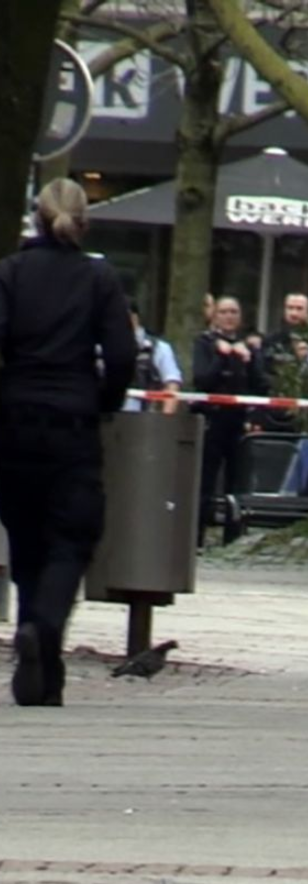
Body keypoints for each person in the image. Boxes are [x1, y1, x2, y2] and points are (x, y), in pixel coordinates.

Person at [0, 178, 137, 706]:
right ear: (83, 222)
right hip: (73, 427)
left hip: (14, 427)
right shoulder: (97, 278)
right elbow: (122, 354)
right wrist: (103, 399)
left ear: (37, 218)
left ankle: (40, 668)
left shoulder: (9, 274)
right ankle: (43, 628)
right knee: (73, 538)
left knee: (28, 541)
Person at [192, 295, 267, 547]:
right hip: (212, 419)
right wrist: (222, 357)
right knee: (205, 481)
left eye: (234, 312)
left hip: (239, 421)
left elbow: (261, 386)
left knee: (237, 482)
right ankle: (196, 538)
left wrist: (248, 359)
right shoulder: (204, 343)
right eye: (224, 311)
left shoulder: (249, 347)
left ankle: (232, 537)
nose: (229, 316)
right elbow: (202, 380)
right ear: (215, 316)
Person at [259, 292, 308, 431]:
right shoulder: (270, 341)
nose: (294, 313)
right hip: (274, 412)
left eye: (299, 309)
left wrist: (306, 360)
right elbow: (261, 374)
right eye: (290, 308)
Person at [125, 300, 182, 414]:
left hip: (147, 420)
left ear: (133, 317)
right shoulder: (100, 347)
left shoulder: (159, 348)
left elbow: (172, 384)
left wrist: (165, 420)